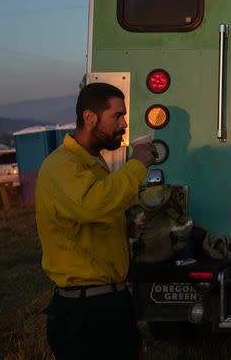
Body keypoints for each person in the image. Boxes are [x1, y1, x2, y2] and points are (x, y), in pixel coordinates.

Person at [36, 82, 157, 359]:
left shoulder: (94, 163)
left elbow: (88, 219)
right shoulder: (62, 165)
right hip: (84, 311)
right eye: (117, 116)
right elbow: (92, 206)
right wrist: (137, 166)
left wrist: (124, 228)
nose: (124, 123)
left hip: (110, 301)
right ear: (90, 118)